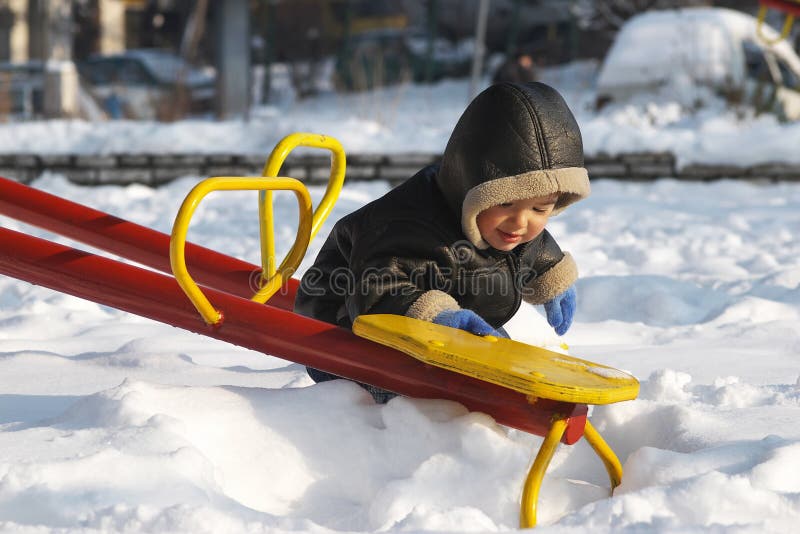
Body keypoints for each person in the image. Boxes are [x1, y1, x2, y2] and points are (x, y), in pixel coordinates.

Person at [295, 81, 591, 403]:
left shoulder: (499, 225)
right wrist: (438, 318)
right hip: (344, 333)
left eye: (540, 208)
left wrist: (551, 275)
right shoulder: (405, 226)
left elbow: (528, 246)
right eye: (505, 204)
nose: (521, 222)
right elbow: (377, 290)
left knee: (498, 356)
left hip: (434, 327)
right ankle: (412, 424)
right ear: (472, 188)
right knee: (412, 387)